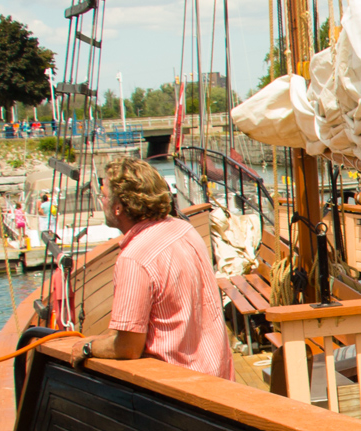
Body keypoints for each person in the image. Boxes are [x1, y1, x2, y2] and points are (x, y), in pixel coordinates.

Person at [57, 158, 233, 381]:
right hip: (217, 374)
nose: (101, 202)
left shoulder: (134, 258)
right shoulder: (182, 228)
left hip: (178, 389)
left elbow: (127, 348)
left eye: (104, 195)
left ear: (118, 207)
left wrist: (87, 347)